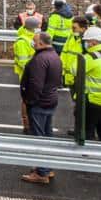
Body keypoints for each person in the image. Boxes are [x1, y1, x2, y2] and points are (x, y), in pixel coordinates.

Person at [20, 32, 62, 184]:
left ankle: (41, 172)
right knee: (47, 134)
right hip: (50, 100)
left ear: (42, 43)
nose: (33, 43)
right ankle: (47, 167)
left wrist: (29, 101)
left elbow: (36, 84)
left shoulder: (40, 59)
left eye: (35, 41)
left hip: (39, 103)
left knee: (39, 137)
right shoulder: (54, 56)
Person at [13, 17, 39, 132]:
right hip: (27, 75)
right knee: (26, 100)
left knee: (31, 99)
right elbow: (23, 62)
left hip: (32, 75)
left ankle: (31, 123)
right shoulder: (23, 41)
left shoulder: (31, 37)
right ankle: (27, 125)